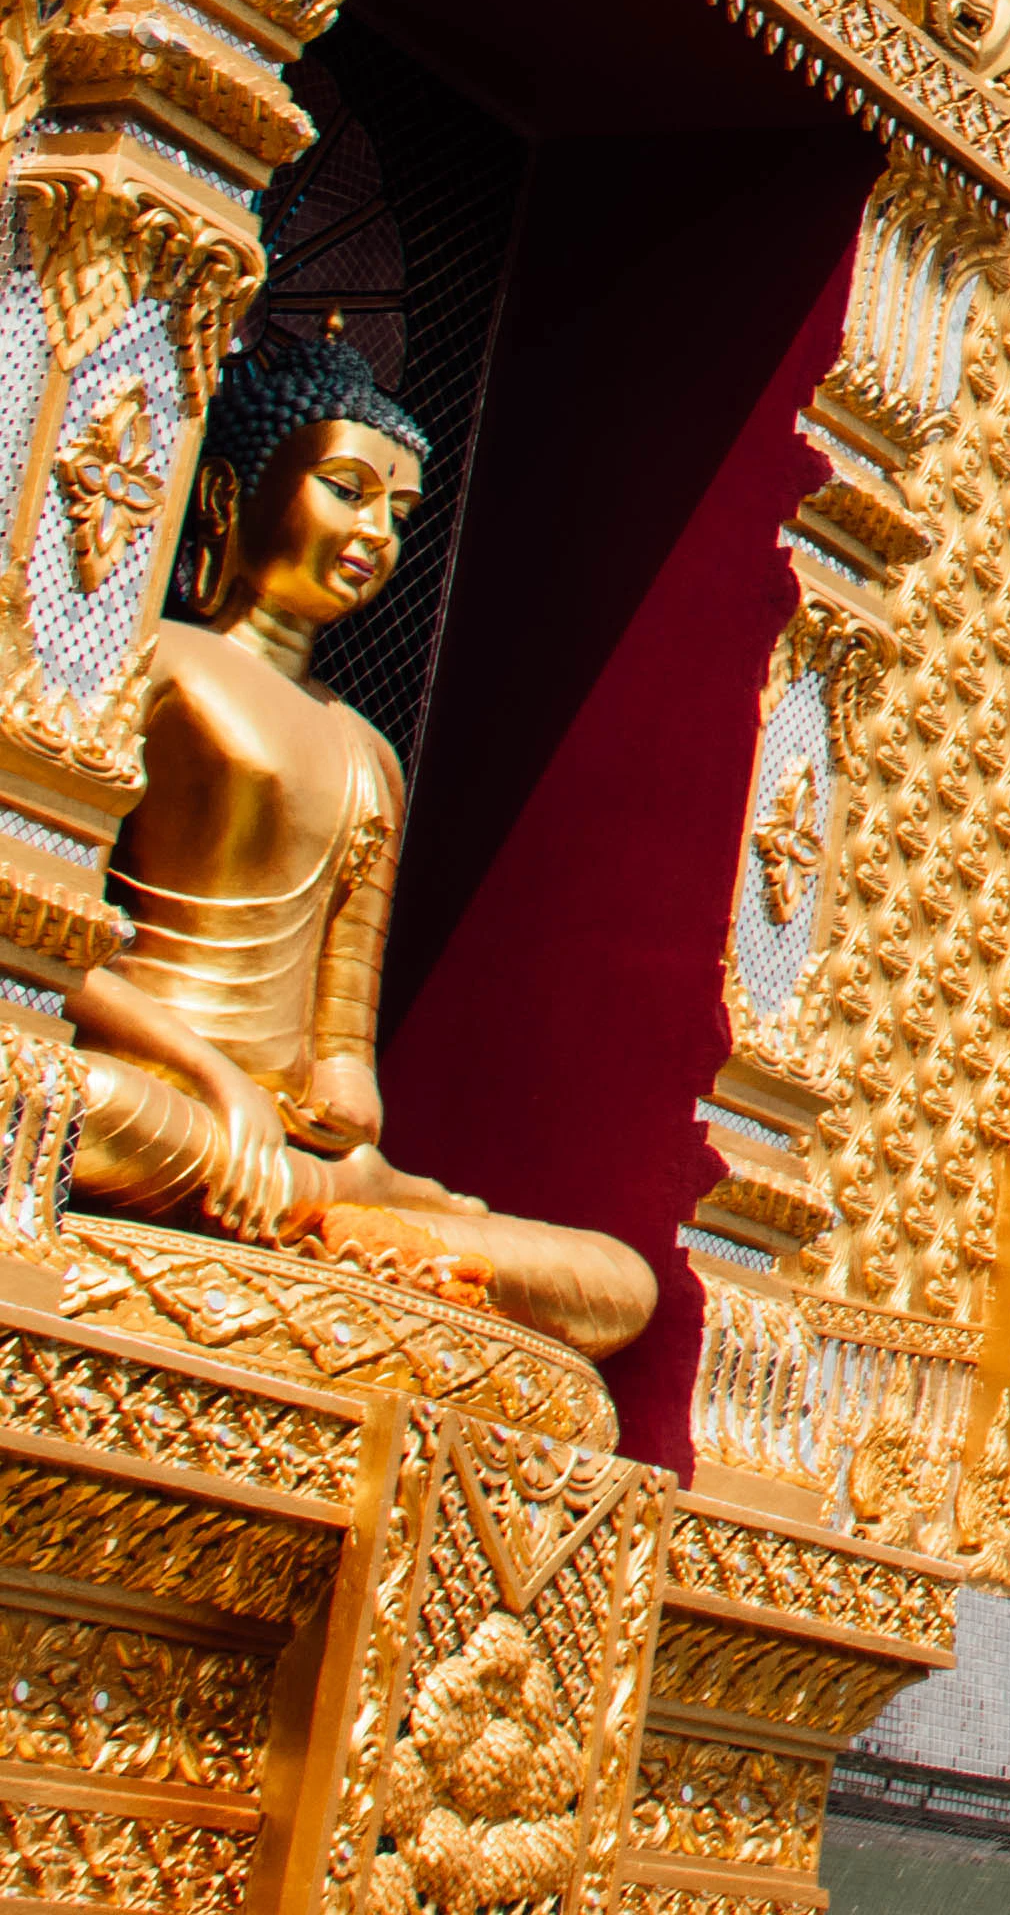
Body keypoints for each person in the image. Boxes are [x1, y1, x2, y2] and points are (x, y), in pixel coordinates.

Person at [72, 331, 653, 1354]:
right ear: (226, 497)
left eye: (399, 513)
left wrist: (340, 1114)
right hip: (154, 1093)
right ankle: (341, 1271)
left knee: (620, 1282)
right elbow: (48, 936)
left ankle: (344, 1238)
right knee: (59, 1099)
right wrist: (218, 1089)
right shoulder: (161, 664)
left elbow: (343, 1047)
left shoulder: (367, 749)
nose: (375, 533)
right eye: (345, 489)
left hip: (292, 1154)